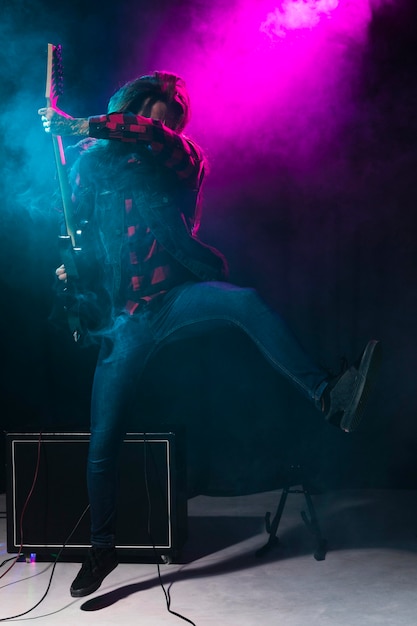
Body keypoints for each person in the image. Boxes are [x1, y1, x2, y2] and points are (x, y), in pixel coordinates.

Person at [38, 71, 381, 598]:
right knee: (102, 442)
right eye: (162, 106)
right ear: (138, 101)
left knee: (242, 302)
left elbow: (148, 136)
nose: (170, 117)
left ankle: (329, 395)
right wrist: (70, 265)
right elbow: (75, 223)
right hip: (124, 319)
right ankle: (101, 548)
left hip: (174, 301)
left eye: (177, 113)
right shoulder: (97, 166)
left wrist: (78, 123)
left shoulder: (182, 157)